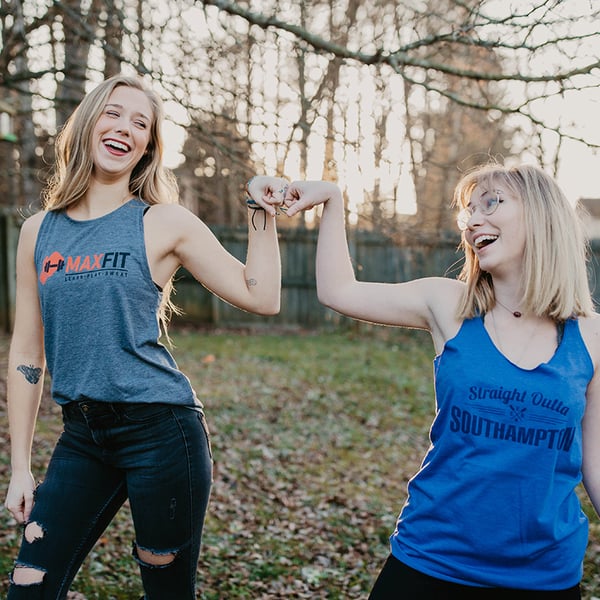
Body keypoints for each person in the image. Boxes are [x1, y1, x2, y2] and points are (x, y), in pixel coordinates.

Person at [4, 73, 286, 600]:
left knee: (166, 593)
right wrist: (20, 469)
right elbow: (25, 352)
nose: (124, 128)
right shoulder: (37, 232)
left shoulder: (163, 222)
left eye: (141, 124)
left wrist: (259, 212)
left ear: (148, 148)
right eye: (113, 113)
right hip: (82, 435)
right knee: (29, 586)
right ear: (87, 123)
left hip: (162, 432)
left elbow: (262, 297)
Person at [282, 163, 600, 599]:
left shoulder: (592, 336)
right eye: (468, 212)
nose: (472, 221)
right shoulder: (448, 303)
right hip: (432, 561)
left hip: (543, 577)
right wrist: (333, 199)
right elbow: (338, 290)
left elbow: (595, 460)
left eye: (492, 203)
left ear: (543, 216)